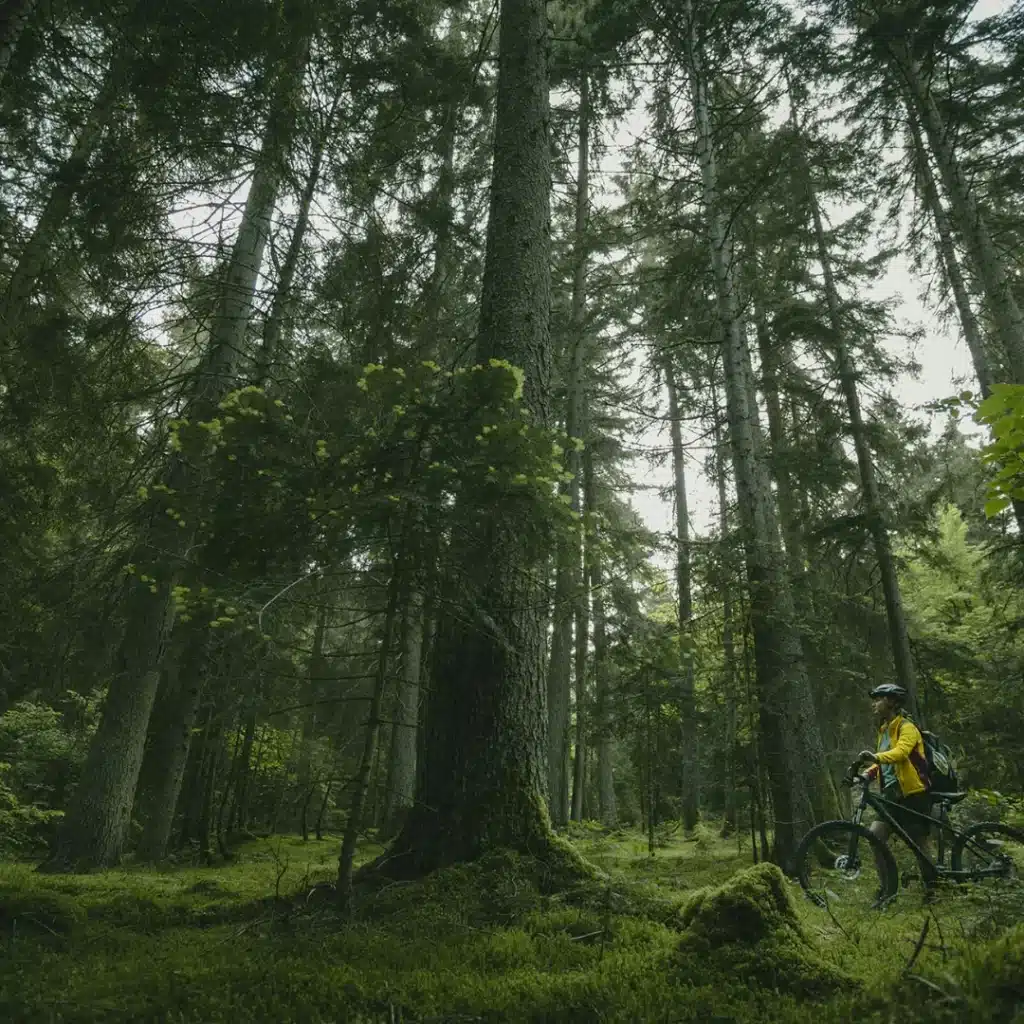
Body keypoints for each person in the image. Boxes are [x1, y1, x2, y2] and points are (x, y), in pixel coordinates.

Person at [856, 683, 933, 866]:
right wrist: (865, 774)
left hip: (913, 794)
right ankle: (886, 890)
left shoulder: (907, 727)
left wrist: (875, 757)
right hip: (891, 795)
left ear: (891, 701)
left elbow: (900, 753)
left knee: (919, 844)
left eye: (878, 699)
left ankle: (933, 887)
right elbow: (883, 763)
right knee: (876, 836)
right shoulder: (884, 731)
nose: (874, 704)